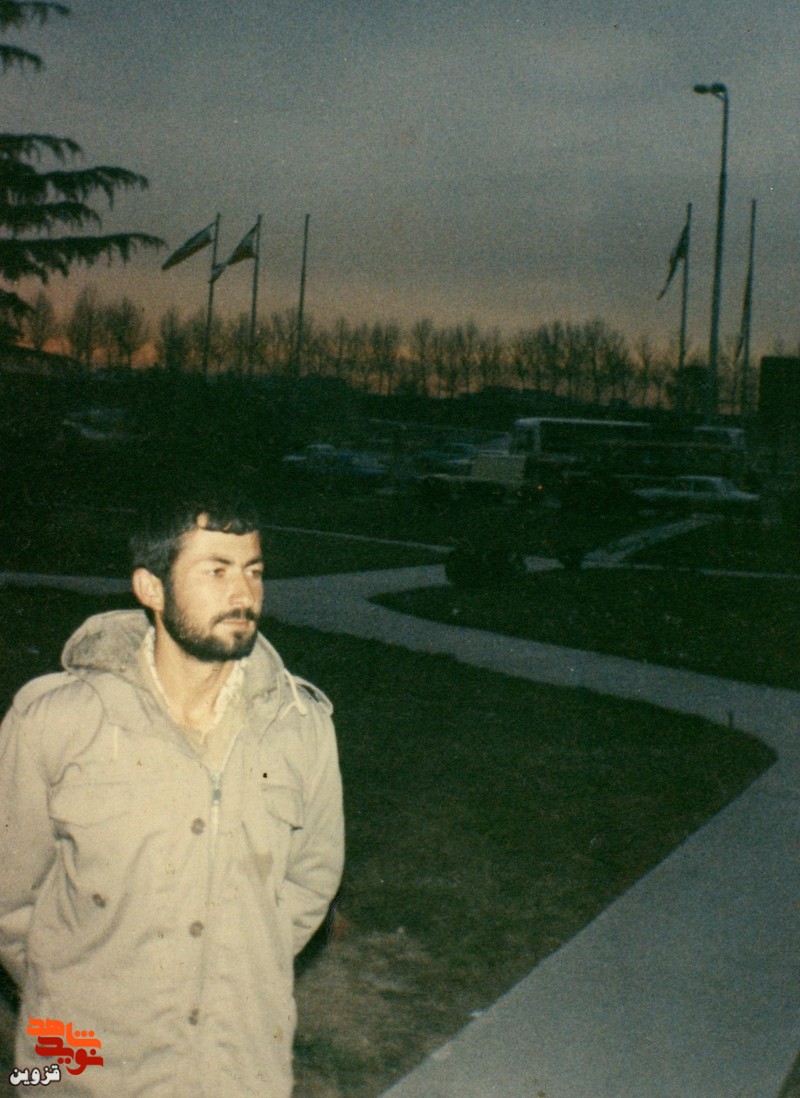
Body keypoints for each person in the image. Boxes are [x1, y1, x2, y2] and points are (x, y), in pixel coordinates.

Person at [0, 492, 345, 1096]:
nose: (243, 594)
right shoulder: (54, 721)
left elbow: (310, 883)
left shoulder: (301, 723)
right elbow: (9, 898)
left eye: (254, 571)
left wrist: (236, 967)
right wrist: (72, 989)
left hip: (236, 1067)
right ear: (151, 588)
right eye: (216, 571)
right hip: (75, 1063)